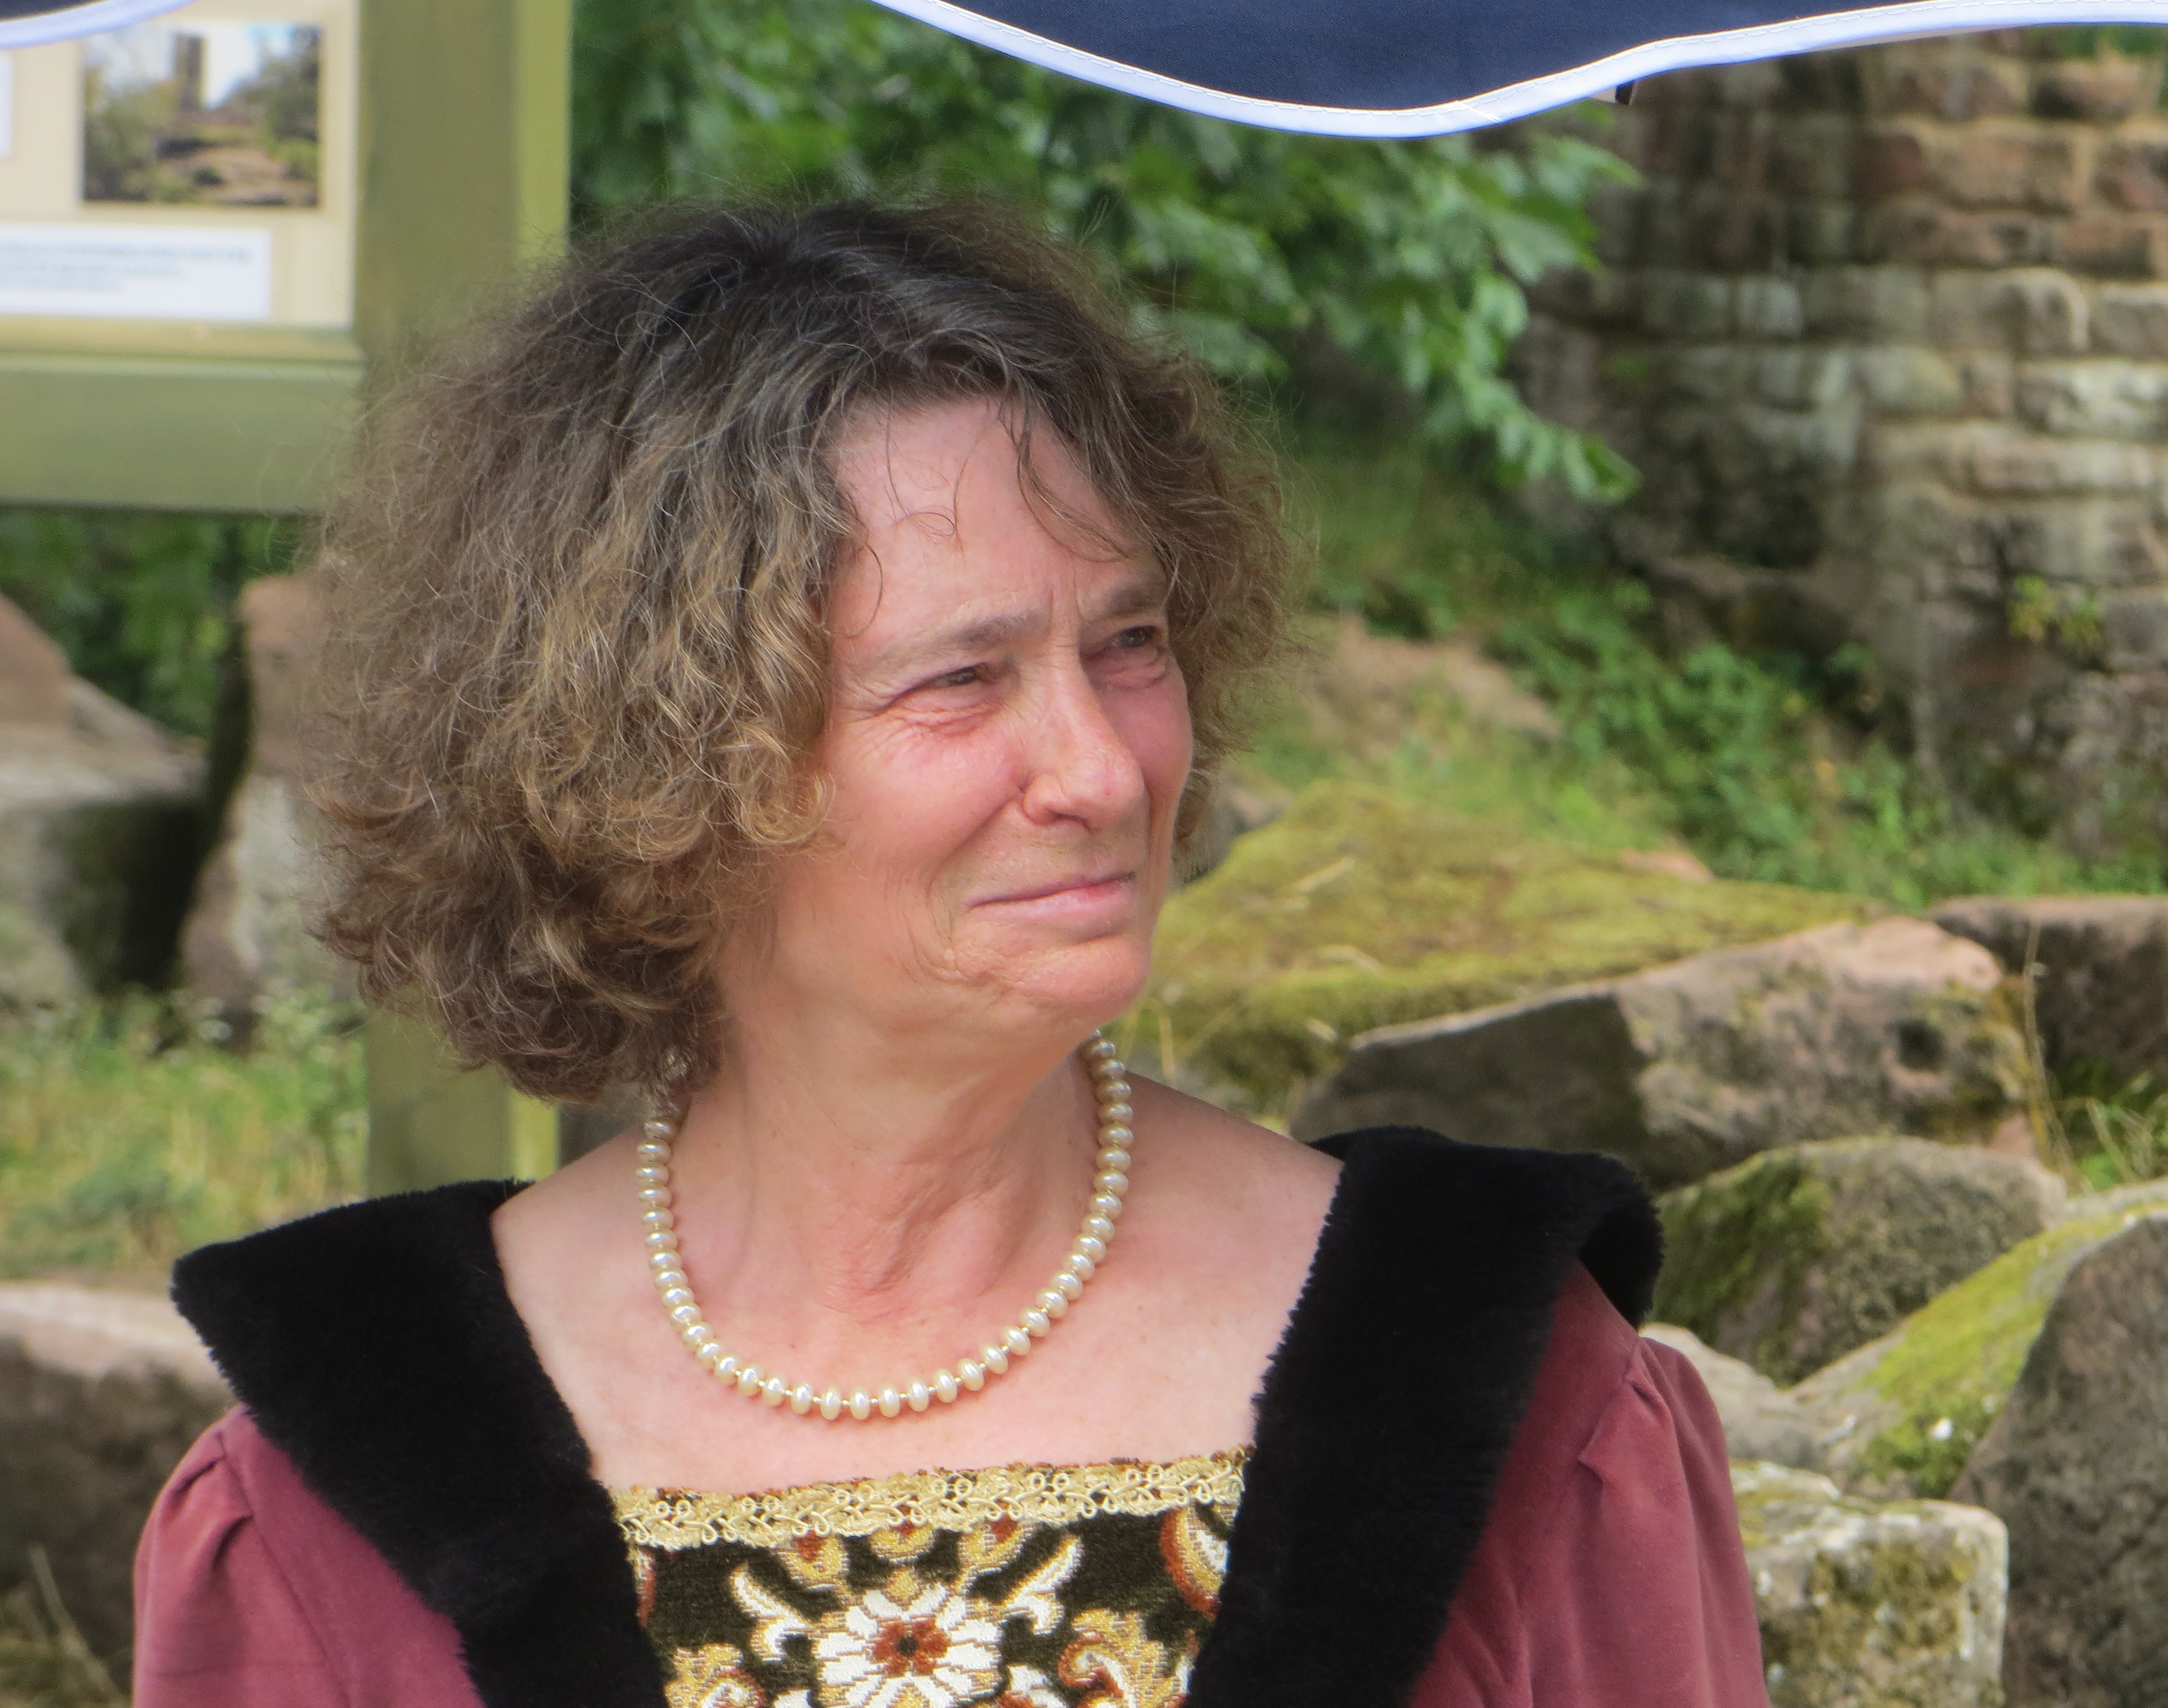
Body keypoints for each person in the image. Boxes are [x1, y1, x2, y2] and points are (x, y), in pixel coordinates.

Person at [130, 201, 1768, 1708]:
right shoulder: (342, 1488)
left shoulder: (1500, 1396)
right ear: (660, 774)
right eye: (962, 680)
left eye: (1129, 643)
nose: (1103, 770)